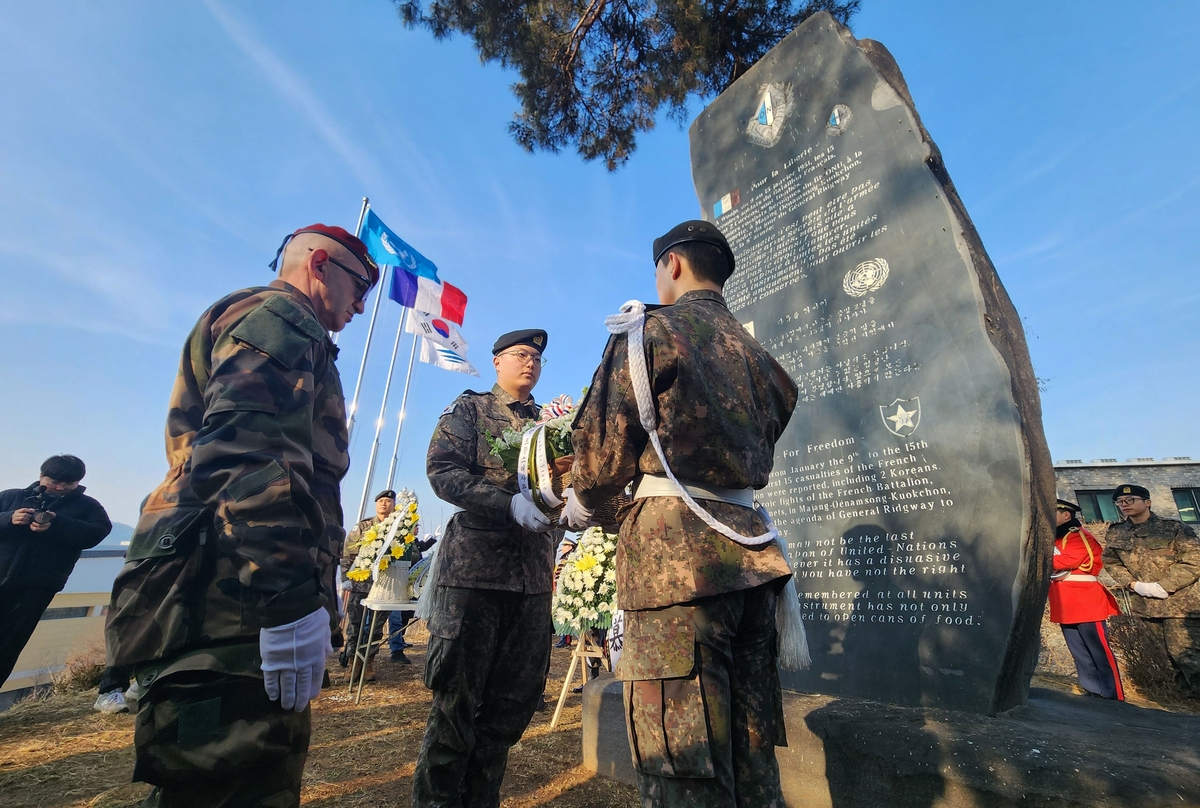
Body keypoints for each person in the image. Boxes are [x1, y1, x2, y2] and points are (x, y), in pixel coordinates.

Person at [105, 223, 379, 807]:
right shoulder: (281, 318)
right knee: (229, 785)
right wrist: (285, 603)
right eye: (361, 287)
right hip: (237, 597)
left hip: (232, 586)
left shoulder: (280, 326)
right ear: (320, 264)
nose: (361, 305)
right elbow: (248, 458)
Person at [566, 220, 798, 807]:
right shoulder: (762, 360)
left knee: (683, 760)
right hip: (752, 559)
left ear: (671, 265)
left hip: (677, 569)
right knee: (751, 758)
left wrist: (578, 502)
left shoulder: (651, 331)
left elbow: (599, 453)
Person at [413, 328, 560, 808]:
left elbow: (569, 480)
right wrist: (507, 505)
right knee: (455, 710)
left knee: (507, 714)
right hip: (474, 577)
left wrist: (570, 508)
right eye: (520, 354)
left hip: (532, 582)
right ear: (496, 361)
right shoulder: (471, 409)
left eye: (537, 357)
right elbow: (443, 472)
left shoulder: (552, 424)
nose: (530, 362)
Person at [0, 455, 112, 685]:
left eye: (69, 483)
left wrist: (56, 523)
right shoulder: (12, 497)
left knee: (9, 643)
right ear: (41, 476)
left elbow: (97, 532)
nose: (60, 487)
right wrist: (9, 519)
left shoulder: (87, 506)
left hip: (37, 586)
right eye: (54, 480)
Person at [1102, 484, 1200, 698]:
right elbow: (1110, 561)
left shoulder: (1173, 528)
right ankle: (1187, 704)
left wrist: (1163, 586)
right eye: (1120, 502)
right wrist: (1133, 584)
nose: (1125, 505)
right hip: (1146, 605)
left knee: (1187, 655)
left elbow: (1193, 560)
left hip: (1180, 604)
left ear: (1147, 502)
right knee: (1166, 658)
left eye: (1131, 500)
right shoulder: (1117, 532)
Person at [1049, 499, 1123, 700]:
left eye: (1054, 511)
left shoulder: (1078, 536)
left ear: (1067, 515)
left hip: (1085, 598)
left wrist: (1040, 557)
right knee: (1079, 650)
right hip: (1064, 599)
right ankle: (1092, 689)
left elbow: (1068, 560)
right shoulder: (1056, 538)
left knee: (1099, 650)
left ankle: (1112, 692)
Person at [343, 490, 398, 681]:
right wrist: (345, 578)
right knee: (355, 626)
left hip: (385, 586)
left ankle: (368, 664)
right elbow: (348, 553)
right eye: (381, 501)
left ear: (394, 505)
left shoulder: (399, 528)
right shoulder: (363, 526)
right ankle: (352, 663)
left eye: (388, 501)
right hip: (361, 585)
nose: (384, 504)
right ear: (376, 505)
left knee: (375, 629)